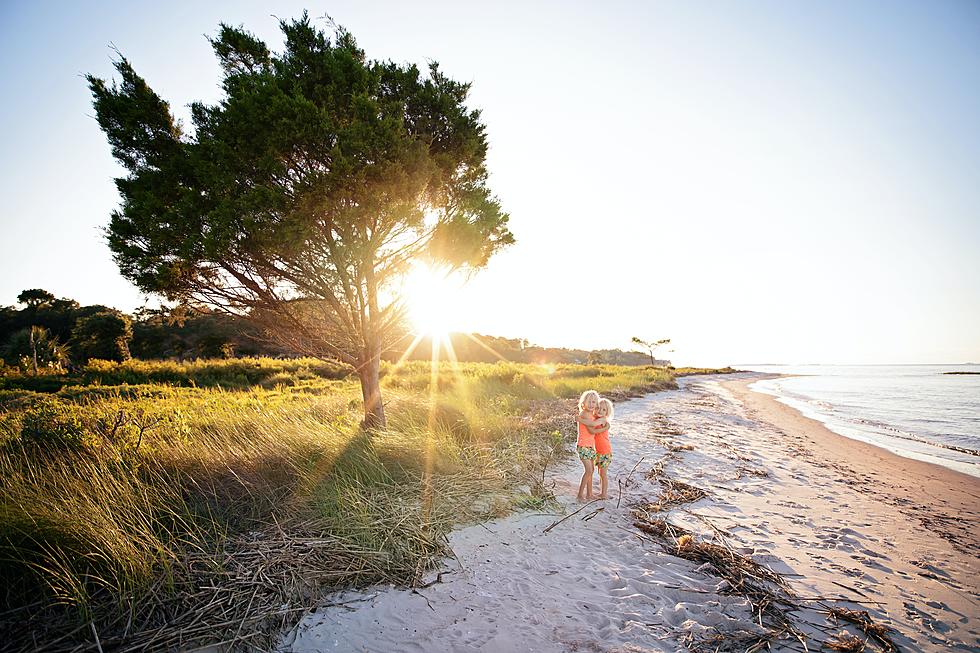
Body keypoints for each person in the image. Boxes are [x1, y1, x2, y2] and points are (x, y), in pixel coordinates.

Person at [576, 390, 608, 502]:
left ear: (596, 404)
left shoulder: (592, 415)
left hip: (590, 446)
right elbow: (591, 429)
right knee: (588, 470)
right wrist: (605, 427)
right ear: (583, 403)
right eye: (589, 402)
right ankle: (580, 494)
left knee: (592, 470)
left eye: (593, 402)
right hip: (583, 446)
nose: (591, 404)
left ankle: (589, 494)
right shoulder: (584, 414)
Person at [592, 398, 614, 499]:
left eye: (603, 410)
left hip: (605, 451)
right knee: (600, 473)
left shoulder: (603, 420)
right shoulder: (596, 418)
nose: (600, 411)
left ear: (607, 412)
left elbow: (593, 428)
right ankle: (602, 491)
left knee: (603, 474)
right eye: (598, 408)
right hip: (598, 451)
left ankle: (604, 494)